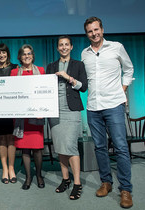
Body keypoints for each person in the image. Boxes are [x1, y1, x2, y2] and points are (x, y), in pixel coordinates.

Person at [81, 17, 134, 208]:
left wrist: (123, 89)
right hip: (93, 107)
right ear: (86, 33)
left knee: (120, 147)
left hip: (114, 105)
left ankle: (126, 189)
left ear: (102, 29)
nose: (94, 34)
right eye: (90, 31)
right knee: (99, 147)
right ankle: (106, 182)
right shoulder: (84, 53)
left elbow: (129, 69)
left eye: (96, 30)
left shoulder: (116, 47)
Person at [46, 35, 88, 200]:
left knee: (70, 146)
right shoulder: (51, 66)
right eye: (60, 45)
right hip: (54, 110)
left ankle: (77, 183)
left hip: (71, 110)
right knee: (60, 146)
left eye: (66, 45)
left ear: (71, 47)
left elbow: (83, 87)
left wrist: (68, 77)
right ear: (57, 48)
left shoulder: (79, 65)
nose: (63, 47)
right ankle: (65, 179)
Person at [10, 44, 45, 190]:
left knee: (37, 148)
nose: (27, 56)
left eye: (29, 53)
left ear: (32, 55)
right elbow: (11, 92)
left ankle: (38, 175)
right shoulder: (13, 72)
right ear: (20, 56)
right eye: (24, 54)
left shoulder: (41, 71)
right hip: (21, 117)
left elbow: (45, 92)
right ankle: (29, 178)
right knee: (24, 148)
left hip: (36, 116)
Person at [0, 43, 17, 184]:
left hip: (13, 109)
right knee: (1, 138)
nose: (1, 55)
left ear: (7, 53)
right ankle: (5, 169)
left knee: (11, 138)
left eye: (4, 52)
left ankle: (11, 168)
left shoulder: (15, 68)